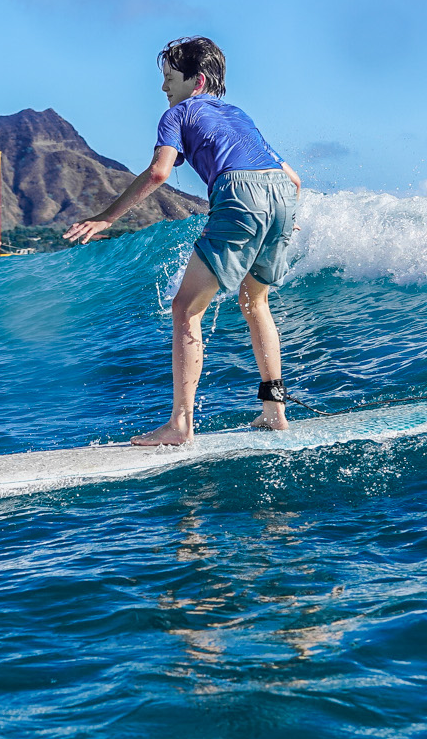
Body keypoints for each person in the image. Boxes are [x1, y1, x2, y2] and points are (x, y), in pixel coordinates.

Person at [64, 36, 302, 446]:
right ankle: (275, 411)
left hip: (240, 193)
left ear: (198, 81)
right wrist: (281, 218)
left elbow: (158, 173)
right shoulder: (237, 114)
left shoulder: (178, 114)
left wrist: (105, 217)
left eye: (169, 78)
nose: (163, 88)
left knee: (185, 308)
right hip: (280, 195)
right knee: (256, 303)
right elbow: (293, 178)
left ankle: (179, 425)